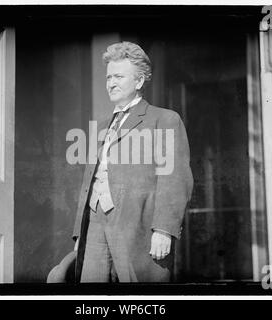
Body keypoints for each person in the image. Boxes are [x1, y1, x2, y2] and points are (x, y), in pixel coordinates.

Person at [72, 41, 193, 282]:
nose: (111, 83)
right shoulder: (102, 125)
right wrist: (80, 234)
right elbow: (90, 181)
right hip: (95, 223)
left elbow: (175, 179)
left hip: (136, 225)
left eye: (118, 76)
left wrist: (163, 229)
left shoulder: (164, 119)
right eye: (108, 77)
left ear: (138, 82)